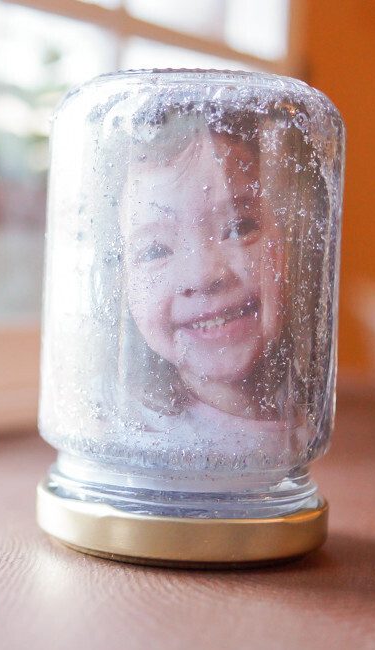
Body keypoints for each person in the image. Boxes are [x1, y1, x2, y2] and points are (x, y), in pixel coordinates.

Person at [117, 111, 301, 461]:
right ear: (120, 285)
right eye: (156, 250)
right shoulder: (134, 441)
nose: (203, 275)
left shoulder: (304, 417)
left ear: (292, 243)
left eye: (239, 228)